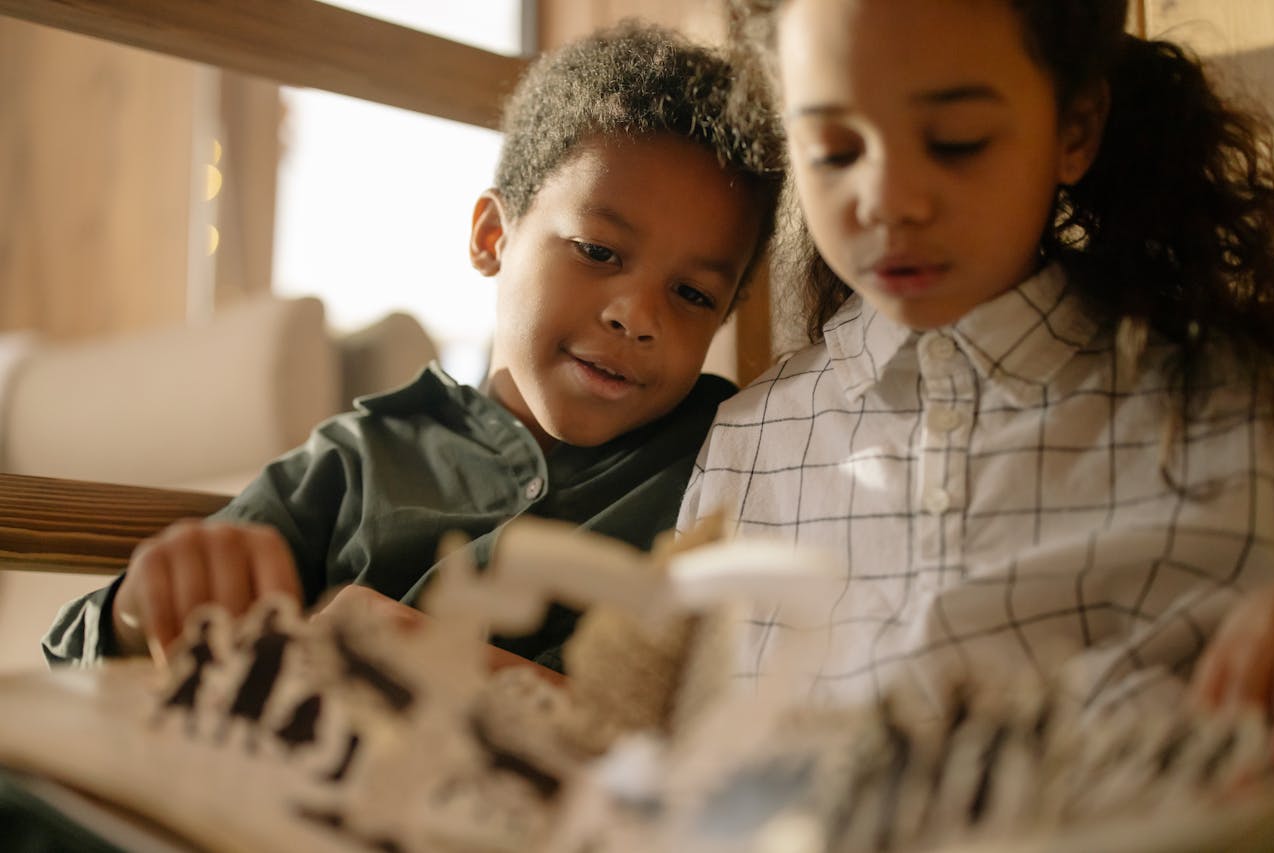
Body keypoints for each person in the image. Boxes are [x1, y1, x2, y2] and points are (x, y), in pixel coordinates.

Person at [43, 23, 784, 671]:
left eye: (691, 295)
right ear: (493, 237)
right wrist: (140, 610)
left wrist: (410, 653)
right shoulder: (362, 456)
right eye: (597, 250)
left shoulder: (728, 453)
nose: (637, 315)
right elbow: (76, 649)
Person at [679, 0, 1274, 714]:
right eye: (834, 149)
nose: (888, 201)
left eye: (955, 141)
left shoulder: (1238, 409)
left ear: (1075, 128)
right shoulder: (746, 443)